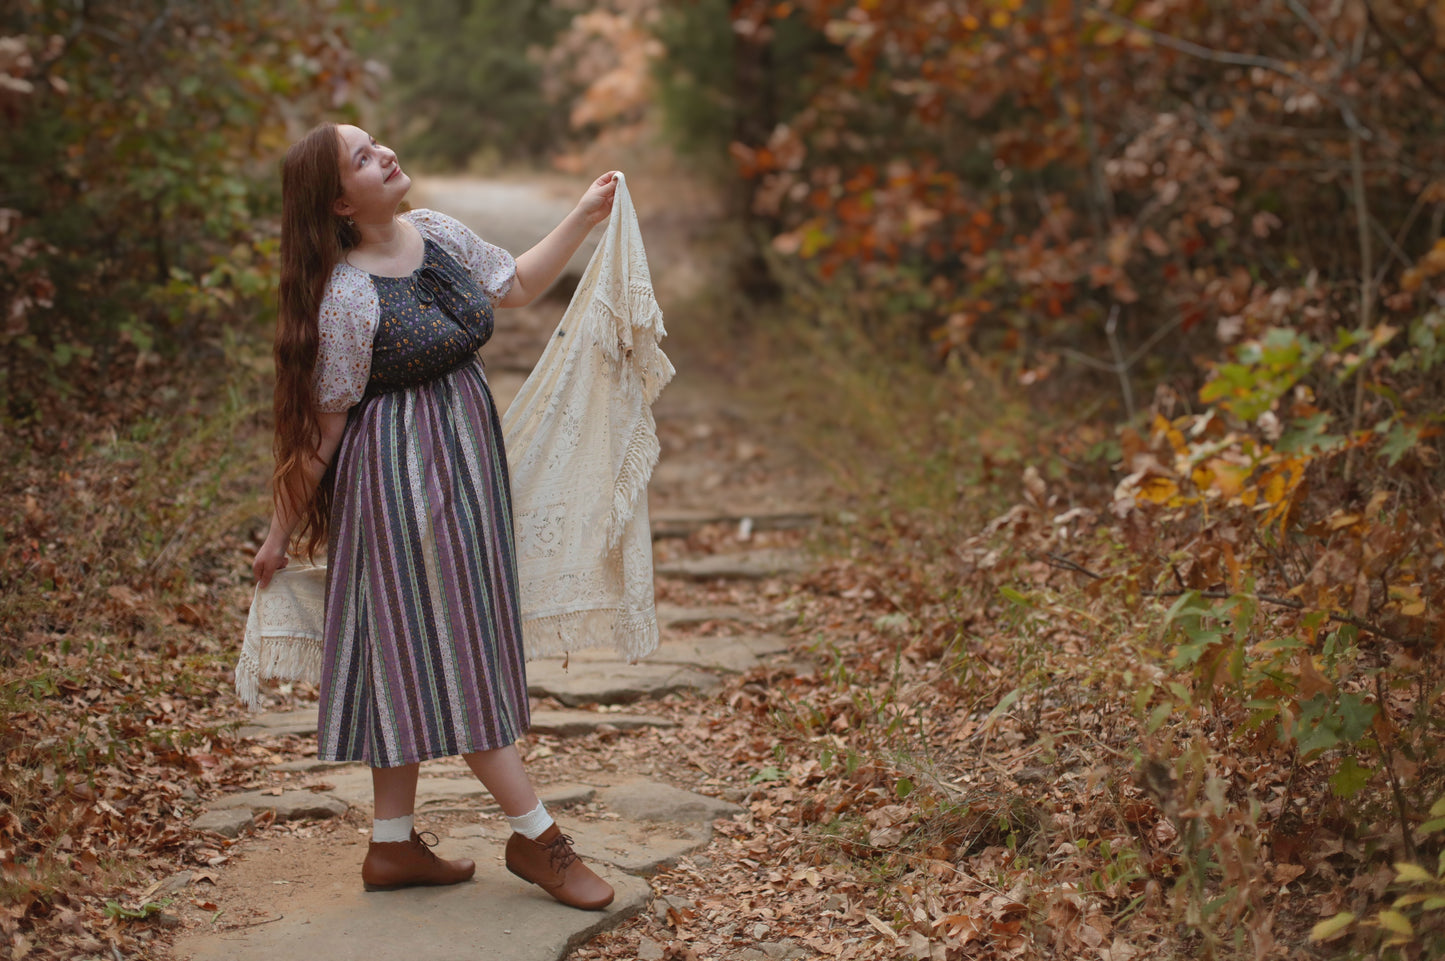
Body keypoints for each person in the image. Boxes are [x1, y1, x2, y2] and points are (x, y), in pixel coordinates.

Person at [251, 121, 617, 910]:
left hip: (465, 469)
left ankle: (391, 847)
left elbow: (514, 285)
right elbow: (325, 427)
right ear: (341, 202)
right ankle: (539, 838)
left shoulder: (439, 233)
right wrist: (278, 534)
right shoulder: (346, 293)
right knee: (456, 645)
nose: (384, 153)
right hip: (400, 485)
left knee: (411, 651)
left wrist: (583, 216)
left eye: (377, 142)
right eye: (362, 157)